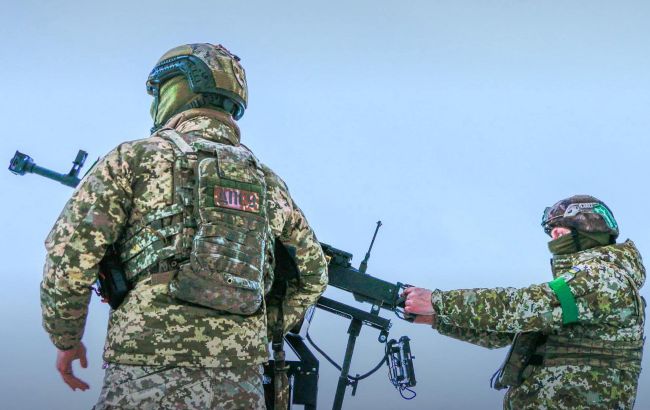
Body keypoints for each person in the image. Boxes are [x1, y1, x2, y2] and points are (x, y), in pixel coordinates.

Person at [40, 43, 328, 409]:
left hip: (147, 371)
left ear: (178, 89)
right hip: (240, 381)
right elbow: (314, 274)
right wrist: (252, 330)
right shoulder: (268, 182)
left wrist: (66, 339)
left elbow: (69, 258)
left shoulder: (134, 158)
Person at [403, 195, 645, 409]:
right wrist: (437, 318)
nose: (554, 237)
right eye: (552, 231)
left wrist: (438, 302)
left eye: (561, 229)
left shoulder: (604, 277)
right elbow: (510, 331)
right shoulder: (581, 283)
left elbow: (522, 306)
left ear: (591, 228)